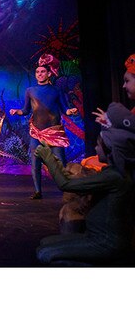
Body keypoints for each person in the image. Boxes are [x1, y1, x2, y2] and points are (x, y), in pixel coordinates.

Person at [35, 102, 135, 265]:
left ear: (111, 150)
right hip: (94, 236)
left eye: (99, 145)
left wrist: (47, 157)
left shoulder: (115, 176)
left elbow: (66, 184)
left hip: (104, 243)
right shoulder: (111, 172)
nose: (95, 149)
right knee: (45, 243)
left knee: (45, 254)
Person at [9, 54, 78, 199]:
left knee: (60, 163)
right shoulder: (30, 91)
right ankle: (38, 191)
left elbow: (64, 108)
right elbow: (26, 110)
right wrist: (17, 111)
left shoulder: (56, 90)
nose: (39, 74)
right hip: (37, 133)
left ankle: (68, 191)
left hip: (54, 132)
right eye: (37, 72)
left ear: (48, 74)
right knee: (35, 163)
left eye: (42, 72)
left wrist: (70, 111)